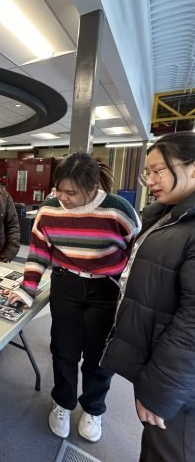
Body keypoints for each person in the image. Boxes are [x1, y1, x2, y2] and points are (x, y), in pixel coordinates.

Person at [13, 152, 140, 442]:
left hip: (105, 288)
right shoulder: (48, 210)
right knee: (64, 350)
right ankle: (63, 403)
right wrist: (27, 288)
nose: (64, 197)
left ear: (92, 187)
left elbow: (135, 250)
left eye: (72, 192)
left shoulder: (117, 210)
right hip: (66, 284)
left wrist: (127, 287)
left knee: (99, 355)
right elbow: (39, 252)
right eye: (59, 189)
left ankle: (93, 408)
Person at [101, 132, 195, 461]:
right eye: (147, 172)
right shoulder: (169, 215)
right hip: (161, 364)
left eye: (158, 171)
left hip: (177, 384)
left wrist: (160, 390)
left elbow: (192, 325)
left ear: (193, 169)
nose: (150, 180)